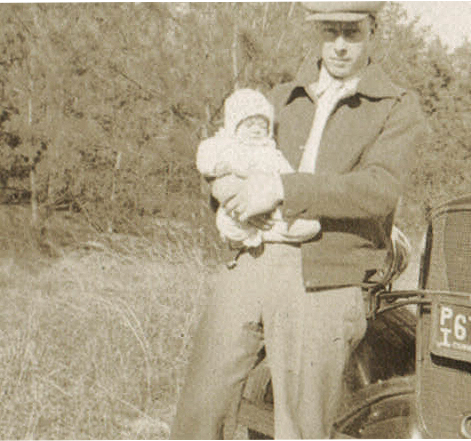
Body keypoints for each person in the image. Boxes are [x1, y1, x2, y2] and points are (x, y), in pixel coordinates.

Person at [172, 2, 428, 438]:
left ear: (374, 30)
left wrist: (283, 190)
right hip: (254, 257)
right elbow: (230, 154)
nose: (341, 46)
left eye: (353, 32)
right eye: (330, 32)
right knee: (200, 407)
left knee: (301, 426)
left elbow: (378, 190)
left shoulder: (396, 107)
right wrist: (224, 194)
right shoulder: (279, 98)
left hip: (327, 275)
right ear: (316, 32)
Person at [196, 88, 321, 253]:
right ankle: (243, 236)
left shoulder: (271, 152)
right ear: (235, 125)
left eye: (262, 126)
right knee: (227, 221)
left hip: (272, 205)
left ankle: (269, 234)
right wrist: (217, 168)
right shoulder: (225, 146)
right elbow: (205, 158)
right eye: (249, 125)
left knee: (310, 227)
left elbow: (289, 176)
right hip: (239, 204)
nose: (256, 130)